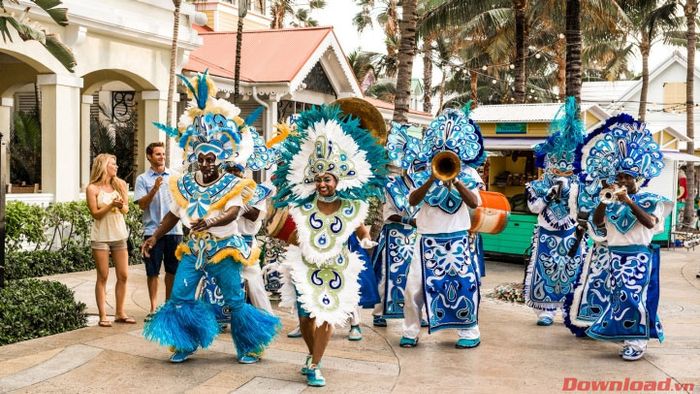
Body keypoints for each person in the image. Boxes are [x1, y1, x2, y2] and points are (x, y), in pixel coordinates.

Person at [142, 71, 280, 364]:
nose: (204, 164)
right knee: (179, 296)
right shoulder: (186, 184)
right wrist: (154, 236)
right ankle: (184, 343)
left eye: (210, 159)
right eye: (200, 159)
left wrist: (211, 222)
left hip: (224, 249)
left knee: (234, 301)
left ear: (221, 159)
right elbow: (172, 214)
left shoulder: (233, 185)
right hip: (194, 250)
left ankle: (249, 347)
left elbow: (232, 212)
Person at [274, 105, 387, 387]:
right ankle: (313, 356)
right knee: (304, 320)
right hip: (305, 265)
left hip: (336, 267)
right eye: (318, 178)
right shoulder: (301, 205)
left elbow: (359, 226)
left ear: (337, 180)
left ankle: (315, 364)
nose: (322, 183)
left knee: (327, 316)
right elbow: (282, 227)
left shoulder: (351, 206)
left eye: (327, 178)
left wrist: (364, 237)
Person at [578, 113, 672, 361]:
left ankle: (637, 342)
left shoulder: (652, 200)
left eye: (627, 177)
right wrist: (603, 200)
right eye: (619, 177)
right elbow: (597, 224)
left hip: (638, 256)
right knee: (619, 299)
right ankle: (627, 335)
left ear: (637, 179)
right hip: (614, 256)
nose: (622, 181)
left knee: (633, 297)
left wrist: (629, 201)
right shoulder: (611, 200)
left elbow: (650, 223)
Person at [396, 107, 486, 349]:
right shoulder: (423, 173)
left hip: (457, 240)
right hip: (426, 239)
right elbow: (412, 201)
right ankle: (411, 331)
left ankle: (468, 332)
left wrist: (455, 179)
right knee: (412, 288)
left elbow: (474, 203)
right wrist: (432, 179)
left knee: (465, 286)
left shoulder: (468, 174)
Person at [523, 97, 584, 326]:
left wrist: (569, 191)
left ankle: (570, 310)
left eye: (566, 164)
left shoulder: (578, 187)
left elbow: (580, 209)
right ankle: (545, 311)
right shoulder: (536, 186)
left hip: (571, 236)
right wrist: (550, 193)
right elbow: (534, 207)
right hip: (546, 235)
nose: (560, 168)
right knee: (546, 271)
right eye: (555, 163)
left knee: (571, 272)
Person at [134, 142, 183, 320]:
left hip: (174, 232)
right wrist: (154, 188)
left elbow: (182, 204)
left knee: (172, 270)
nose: (162, 157)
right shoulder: (143, 179)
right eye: (157, 154)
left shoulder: (175, 177)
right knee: (152, 271)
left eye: (163, 154)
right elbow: (141, 205)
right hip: (151, 232)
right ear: (149, 157)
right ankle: (154, 308)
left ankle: (169, 306)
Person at [86, 153, 134, 327]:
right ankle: (103, 315)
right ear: (104, 166)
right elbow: (95, 214)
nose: (117, 167)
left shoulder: (120, 184)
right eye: (113, 164)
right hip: (101, 238)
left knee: (123, 275)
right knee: (103, 275)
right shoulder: (92, 188)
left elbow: (126, 210)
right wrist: (111, 205)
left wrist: (121, 206)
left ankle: (120, 312)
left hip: (119, 235)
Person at [370, 168, 417, 327]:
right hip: (393, 235)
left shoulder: (424, 184)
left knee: (415, 276)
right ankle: (379, 312)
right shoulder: (391, 184)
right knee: (385, 276)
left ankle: (417, 313)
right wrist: (409, 221)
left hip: (414, 236)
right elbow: (388, 215)